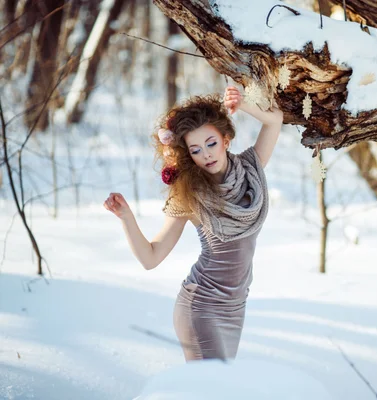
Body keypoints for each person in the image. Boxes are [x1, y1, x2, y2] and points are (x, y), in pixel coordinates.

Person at [103, 86, 283, 361]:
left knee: (216, 388)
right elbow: (151, 258)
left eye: (211, 143)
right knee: (210, 390)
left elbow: (275, 120)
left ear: (226, 139)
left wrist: (242, 104)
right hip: (201, 307)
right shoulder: (190, 194)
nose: (207, 154)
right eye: (196, 150)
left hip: (235, 307)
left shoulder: (250, 170)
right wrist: (126, 218)